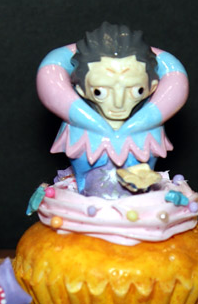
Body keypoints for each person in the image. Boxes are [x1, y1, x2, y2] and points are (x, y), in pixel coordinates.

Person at [37, 22, 188, 195]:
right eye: (99, 91)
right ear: (81, 90)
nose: (118, 103)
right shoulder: (78, 133)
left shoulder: (149, 133)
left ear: (152, 87)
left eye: (137, 90)